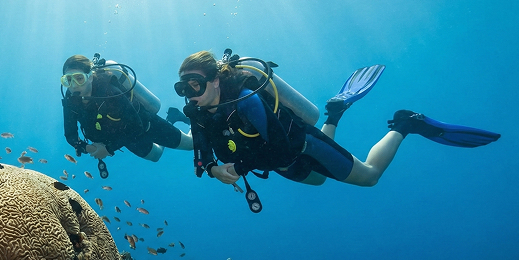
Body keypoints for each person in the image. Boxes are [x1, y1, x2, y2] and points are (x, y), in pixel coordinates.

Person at [175, 50, 500, 206]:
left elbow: (282, 147)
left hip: (299, 146)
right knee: (318, 182)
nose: (191, 95)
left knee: (369, 177)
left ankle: (405, 124)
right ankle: (335, 112)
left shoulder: (246, 99)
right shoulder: (200, 110)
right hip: (279, 163)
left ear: (216, 80)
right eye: (184, 88)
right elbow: (201, 153)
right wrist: (214, 168)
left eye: (196, 85)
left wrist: (241, 165)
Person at [62, 54, 192, 169]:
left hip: (146, 125)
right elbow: (70, 134)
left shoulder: (109, 93)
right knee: (156, 156)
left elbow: (136, 125)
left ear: (89, 77)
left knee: (191, 143)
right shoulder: (70, 101)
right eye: (68, 80)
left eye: (79, 78)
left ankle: (195, 119)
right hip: (125, 138)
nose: (74, 85)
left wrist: (107, 149)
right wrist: (88, 148)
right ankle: (172, 117)